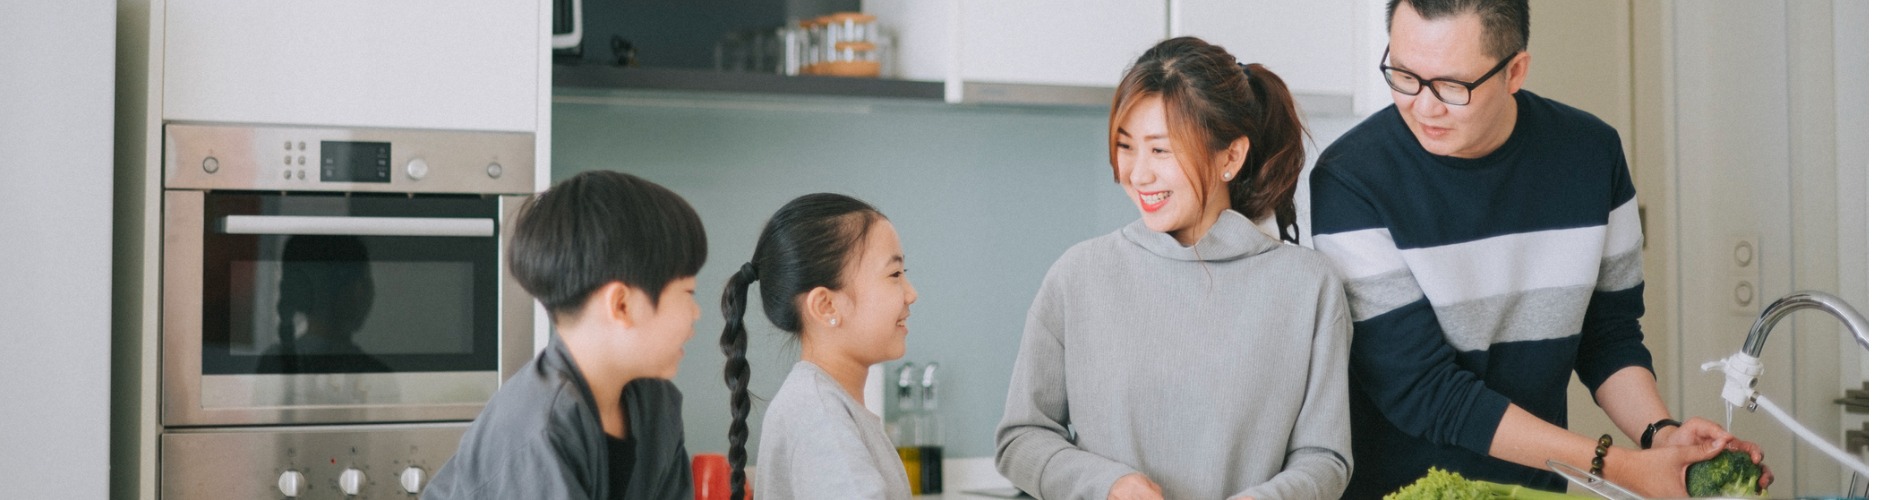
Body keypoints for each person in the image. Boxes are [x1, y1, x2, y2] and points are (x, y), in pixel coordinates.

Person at [1308, 0, 1770, 497]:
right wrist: (1619, 466)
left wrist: (1660, 435)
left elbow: (1607, 335)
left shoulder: (1591, 156)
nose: (1424, 106)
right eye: (1402, 75)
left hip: (1534, 490)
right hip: (1400, 490)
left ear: (1515, 72)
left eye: (1451, 85)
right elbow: (1425, 390)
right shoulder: (1352, 179)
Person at [994, 36, 1353, 500]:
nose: (1137, 173)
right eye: (1126, 147)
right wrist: (1107, 485)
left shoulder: (1307, 287)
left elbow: (1326, 457)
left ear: (1230, 156)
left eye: (1160, 150)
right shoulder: (1079, 276)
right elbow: (1021, 437)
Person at [425, 171, 707, 500]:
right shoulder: (538, 428)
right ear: (621, 305)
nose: (696, 312)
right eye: (689, 293)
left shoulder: (656, 405)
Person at [718, 193, 918, 500]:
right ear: (826, 306)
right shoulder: (820, 416)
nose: (911, 294)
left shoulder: (822, 406)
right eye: (894, 274)